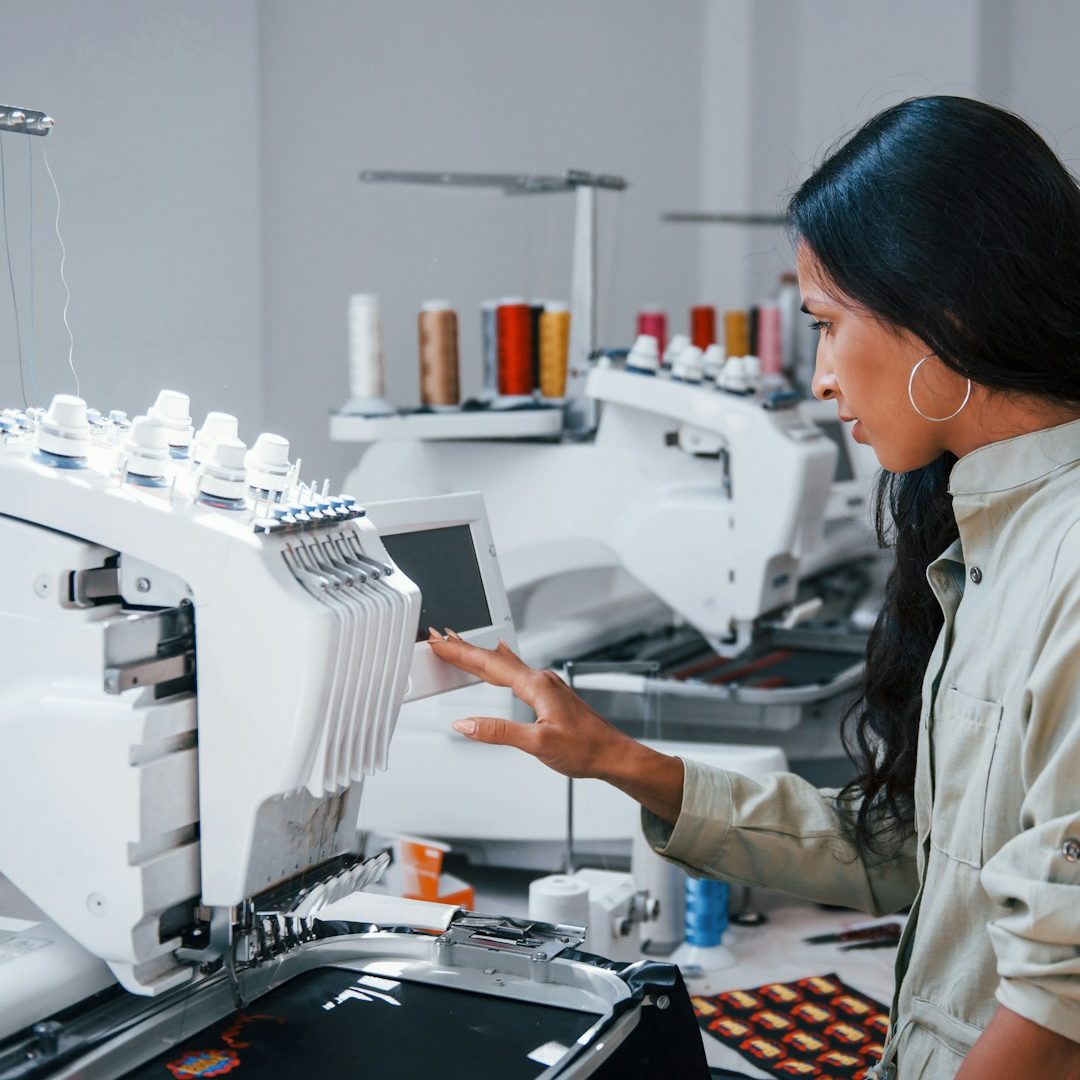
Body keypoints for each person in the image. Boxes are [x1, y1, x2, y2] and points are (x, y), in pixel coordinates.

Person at [428, 96, 1080, 1079]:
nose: (820, 379)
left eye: (826, 325)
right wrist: (616, 758)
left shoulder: (1067, 562)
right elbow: (910, 851)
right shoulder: (996, 545)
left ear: (943, 315)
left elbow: (1056, 1012)